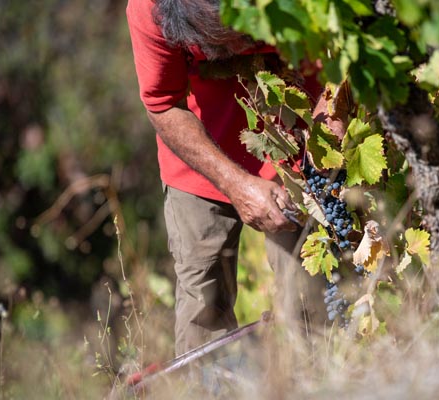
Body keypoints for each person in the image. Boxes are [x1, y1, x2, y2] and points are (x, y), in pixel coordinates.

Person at [126, 0, 325, 356]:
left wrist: (328, 135)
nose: (234, 51)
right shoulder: (148, 7)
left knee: (311, 298)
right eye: (216, 45)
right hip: (200, 155)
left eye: (238, 38)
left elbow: (347, 57)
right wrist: (234, 183)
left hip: (304, 142)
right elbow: (162, 102)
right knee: (203, 305)